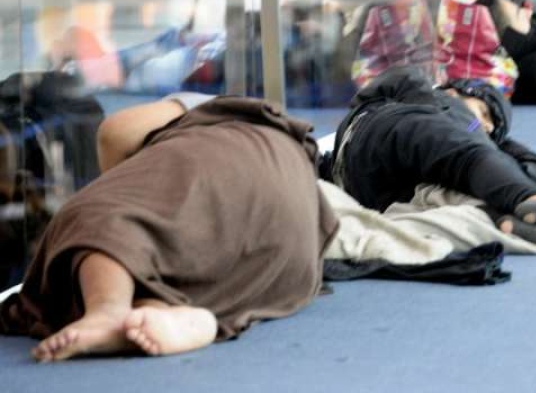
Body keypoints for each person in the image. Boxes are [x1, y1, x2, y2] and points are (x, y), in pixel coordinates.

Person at [0, 94, 339, 362]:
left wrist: (118, 190)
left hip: (238, 158)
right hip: (293, 240)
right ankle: (161, 312)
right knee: (152, 265)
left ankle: (108, 310)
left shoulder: (199, 111)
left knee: (96, 218)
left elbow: (114, 133)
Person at [322, 67, 536, 248]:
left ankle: (497, 219)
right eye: (485, 112)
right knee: (461, 155)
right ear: (454, 92)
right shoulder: (431, 99)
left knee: (447, 196)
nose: (486, 125)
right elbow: (390, 83)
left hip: (380, 194)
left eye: (493, 127)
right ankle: (528, 201)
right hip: (387, 136)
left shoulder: (473, 135)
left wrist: (496, 142)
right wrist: (445, 111)